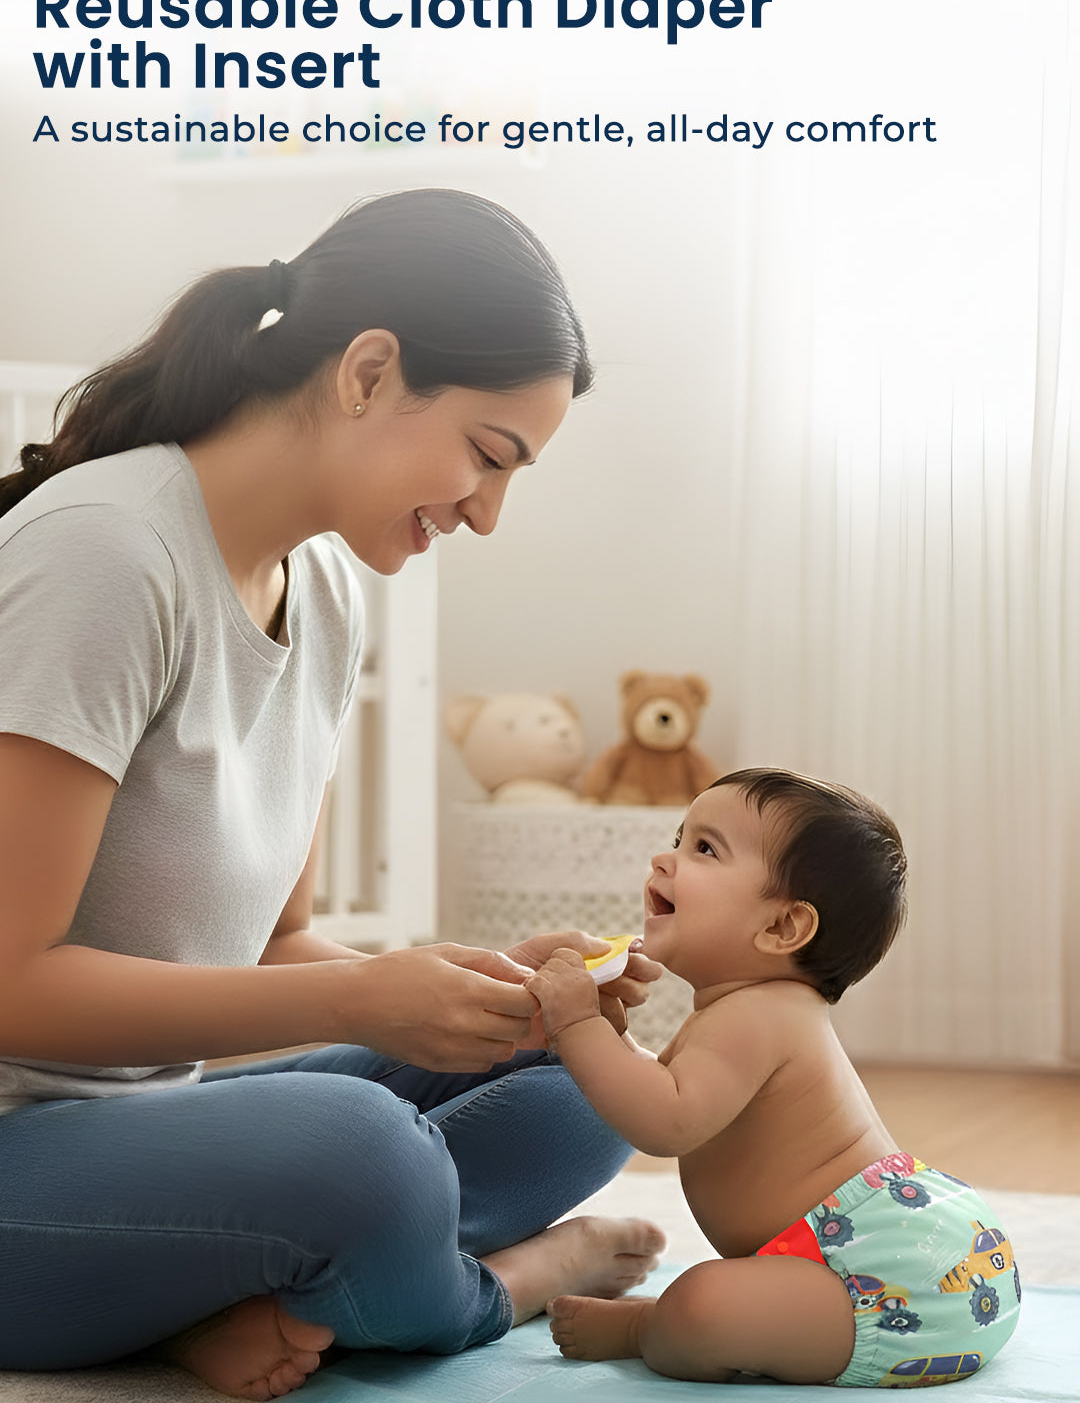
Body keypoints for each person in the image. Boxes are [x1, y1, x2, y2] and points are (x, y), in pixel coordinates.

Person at [0, 188, 665, 1402]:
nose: (486, 511)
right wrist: (366, 997)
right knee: (367, 1161)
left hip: (143, 1131)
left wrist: (478, 996)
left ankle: (224, 1296)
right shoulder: (105, 553)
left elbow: (280, 947)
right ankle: (499, 1286)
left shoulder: (330, 593)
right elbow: (10, 986)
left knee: (583, 1089)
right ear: (368, 370)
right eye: (487, 453)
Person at [525, 768, 1021, 1389]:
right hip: (902, 1259)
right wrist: (609, 1035)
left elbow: (666, 1120)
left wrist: (575, 1022)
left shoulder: (760, 1014)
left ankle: (644, 1328)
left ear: (783, 928)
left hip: (905, 1281)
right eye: (682, 838)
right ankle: (687, 1320)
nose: (665, 859)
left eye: (704, 849)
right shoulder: (747, 1010)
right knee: (719, 1298)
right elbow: (671, 1089)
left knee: (702, 1305)